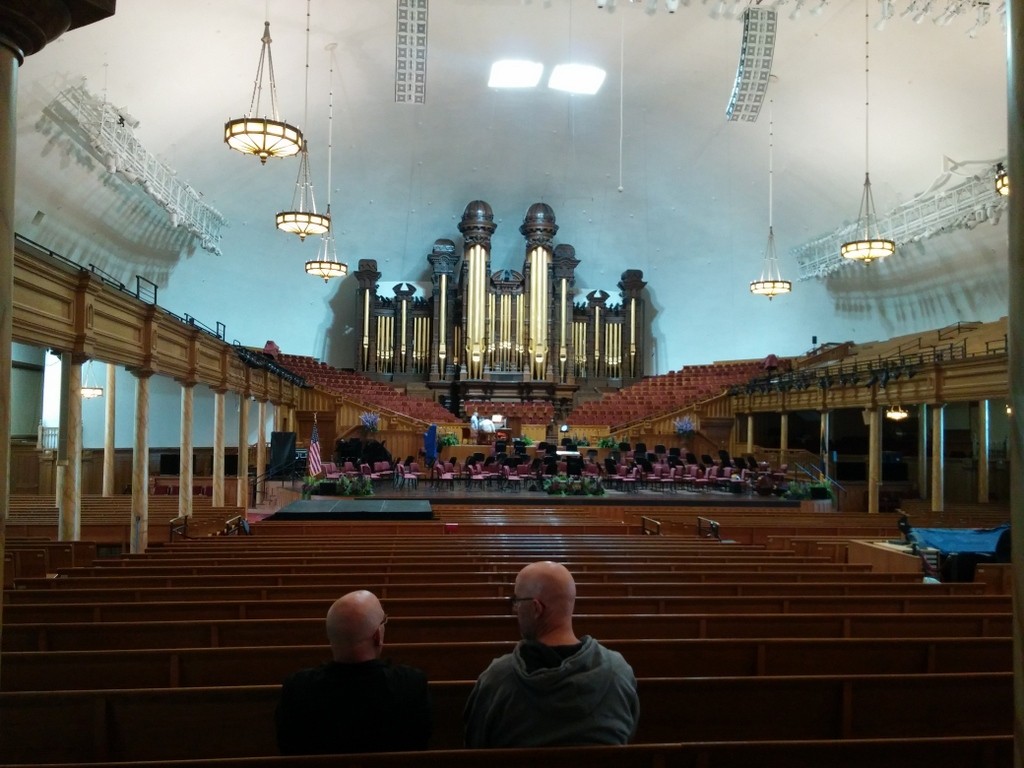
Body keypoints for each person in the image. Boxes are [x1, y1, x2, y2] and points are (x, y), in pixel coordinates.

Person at [463, 561, 639, 748]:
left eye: (517, 601)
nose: (515, 609)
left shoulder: (497, 680)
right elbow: (628, 736)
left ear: (536, 608)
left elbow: (475, 750)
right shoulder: (619, 673)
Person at [275, 590, 431, 755]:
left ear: (331, 637)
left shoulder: (297, 689)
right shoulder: (411, 685)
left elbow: (287, 748)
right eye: (384, 621)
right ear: (377, 636)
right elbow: (420, 744)